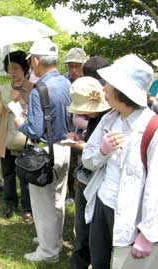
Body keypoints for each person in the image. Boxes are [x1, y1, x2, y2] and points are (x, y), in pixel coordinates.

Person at [82, 54, 157, 269]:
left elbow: (155, 187)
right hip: (103, 204)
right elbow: (88, 160)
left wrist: (147, 233)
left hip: (131, 215)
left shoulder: (151, 129)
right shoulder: (110, 118)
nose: (104, 88)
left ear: (122, 90)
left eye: (109, 84)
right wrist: (102, 151)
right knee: (99, 262)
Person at [14, 38, 71, 263]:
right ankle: (53, 241)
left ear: (37, 61)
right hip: (66, 148)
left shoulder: (40, 89)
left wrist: (20, 121)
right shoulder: (67, 83)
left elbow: (35, 130)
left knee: (43, 205)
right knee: (58, 200)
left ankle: (48, 252)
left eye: (31, 61)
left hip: (46, 152)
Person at [66, 76, 111, 269]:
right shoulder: (95, 119)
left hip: (99, 183)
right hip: (85, 178)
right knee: (82, 232)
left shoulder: (109, 119)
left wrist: (81, 145)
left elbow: (101, 154)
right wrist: (81, 139)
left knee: (95, 235)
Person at [0, 51, 33, 221]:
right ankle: (10, 202)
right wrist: (2, 101)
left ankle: (27, 206)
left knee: (24, 173)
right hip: (5, 134)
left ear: (24, 68)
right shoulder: (3, 89)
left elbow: (33, 112)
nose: (13, 72)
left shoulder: (32, 89)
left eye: (16, 68)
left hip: (24, 137)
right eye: (9, 69)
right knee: (7, 172)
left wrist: (20, 100)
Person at [64, 47, 87, 203]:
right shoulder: (64, 81)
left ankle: (78, 191)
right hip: (67, 127)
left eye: (77, 66)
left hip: (83, 127)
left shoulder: (89, 82)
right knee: (68, 161)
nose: (73, 69)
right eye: (70, 66)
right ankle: (68, 193)